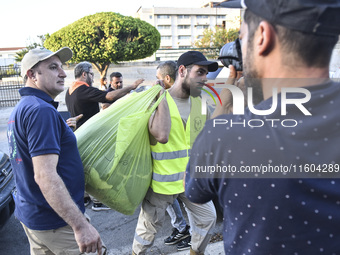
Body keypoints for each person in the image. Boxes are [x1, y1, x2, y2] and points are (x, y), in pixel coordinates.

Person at [185, 1, 340, 254]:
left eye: (242, 37)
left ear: (263, 37)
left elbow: (195, 190)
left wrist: (226, 101)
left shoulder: (224, 136)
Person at [7, 47, 104, 255]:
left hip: (34, 217)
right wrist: (80, 226)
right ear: (32, 75)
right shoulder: (41, 111)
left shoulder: (23, 107)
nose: (63, 73)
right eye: (53, 67)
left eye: (61, 67)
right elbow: (45, 176)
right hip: (57, 222)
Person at [132, 51, 218, 255]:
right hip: (160, 185)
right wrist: (160, 97)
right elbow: (161, 135)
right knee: (147, 232)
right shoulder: (157, 101)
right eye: (200, 72)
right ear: (182, 71)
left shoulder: (200, 103)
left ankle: (196, 252)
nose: (204, 78)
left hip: (189, 181)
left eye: (206, 73)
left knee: (208, 218)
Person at [65, 61, 143, 128]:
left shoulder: (68, 91)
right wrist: (132, 86)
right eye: (91, 74)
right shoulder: (85, 90)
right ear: (84, 74)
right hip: (89, 133)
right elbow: (109, 96)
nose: (92, 78)